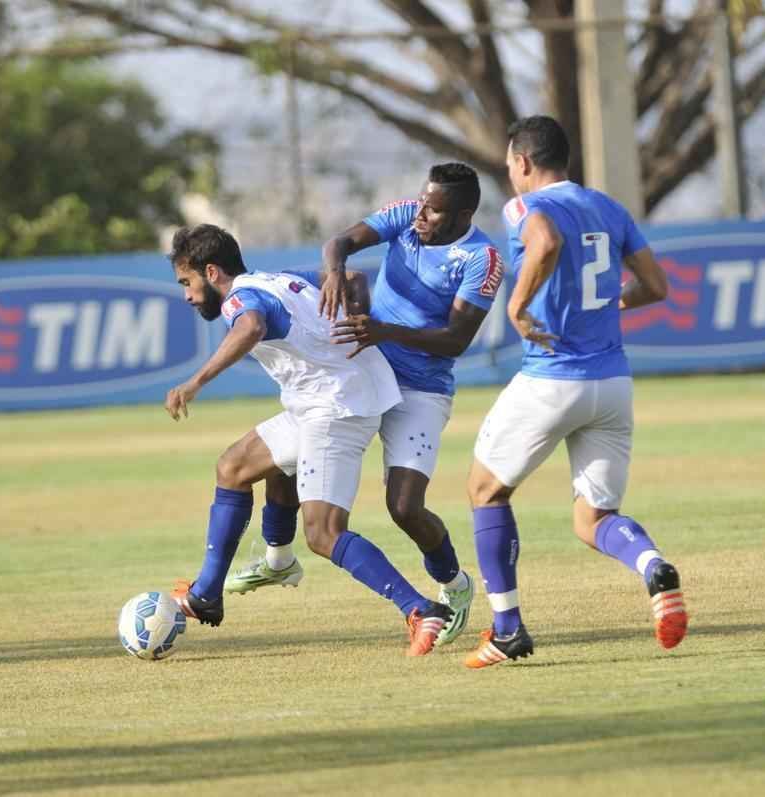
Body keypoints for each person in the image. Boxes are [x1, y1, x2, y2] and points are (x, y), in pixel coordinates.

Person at [224, 163, 504, 647]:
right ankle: (276, 559)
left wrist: (385, 330)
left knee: (404, 507)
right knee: (290, 450)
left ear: (463, 214)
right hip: (362, 373)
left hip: (421, 388)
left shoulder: (482, 259)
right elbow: (340, 243)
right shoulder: (406, 216)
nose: (421, 215)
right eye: (420, 202)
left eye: (434, 211)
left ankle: (455, 585)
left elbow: (456, 340)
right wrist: (334, 273)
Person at [163, 223, 453, 656]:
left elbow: (251, 328)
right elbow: (352, 279)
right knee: (234, 466)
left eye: (187, 283)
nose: (187, 295)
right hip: (326, 398)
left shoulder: (240, 299)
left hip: (336, 410)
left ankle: (418, 608)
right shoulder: (277, 278)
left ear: (211, 271)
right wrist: (352, 324)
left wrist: (196, 382)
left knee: (323, 533)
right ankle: (209, 591)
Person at [463, 115, 687, 669]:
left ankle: (508, 628)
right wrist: (614, 303)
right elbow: (656, 286)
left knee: (484, 490)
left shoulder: (524, 206)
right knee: (594, 518)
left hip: (551, 378)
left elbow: (544, 240)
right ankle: (653, 566)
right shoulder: (610, 209)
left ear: (522, 163)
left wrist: (516, 305)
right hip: (611, 383)